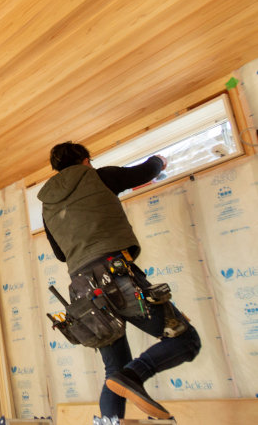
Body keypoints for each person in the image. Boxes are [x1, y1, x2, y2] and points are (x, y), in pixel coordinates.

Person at [37, 141, 202, 420]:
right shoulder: (98, 176)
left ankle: (123, 387)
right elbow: (144, 172)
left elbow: (60, 254)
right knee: (186, 341)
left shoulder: (47, 205)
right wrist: (159, 160)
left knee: (113, 371)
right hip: (115, 275)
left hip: (82, 291)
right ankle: (135, 375)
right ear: (85, 161)